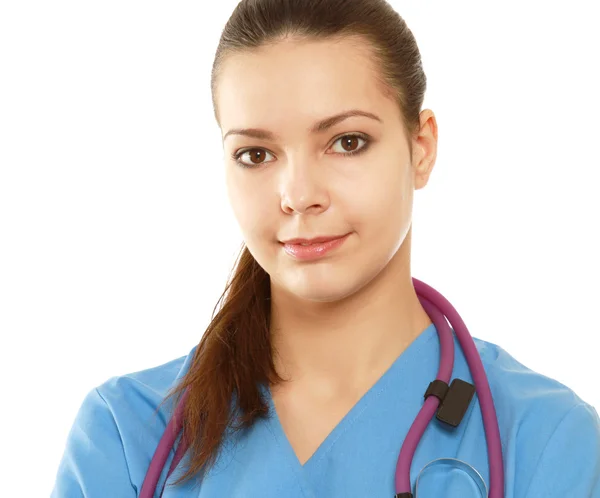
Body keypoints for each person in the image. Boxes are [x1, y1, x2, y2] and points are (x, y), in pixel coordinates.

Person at [51, 0, 600, 496]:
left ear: (422, 148)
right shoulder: (128, 436)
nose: (298, 196)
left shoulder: (545, 440)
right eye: (256, 155)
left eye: (346, 142)